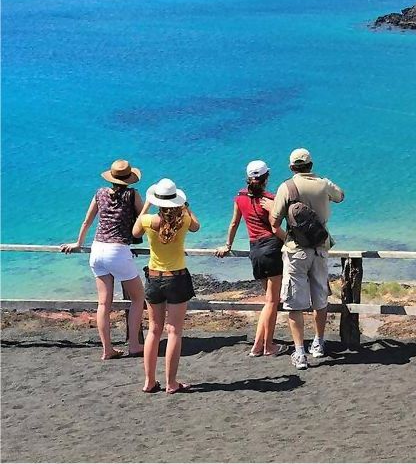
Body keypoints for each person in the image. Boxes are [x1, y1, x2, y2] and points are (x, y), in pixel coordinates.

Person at [60, 159, 148, 360]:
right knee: (138, 298)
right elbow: (143, 219)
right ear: (129, 178)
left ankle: (107, 349)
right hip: (117, 250)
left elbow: (87, 221)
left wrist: (78, 243)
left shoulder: (100, 193)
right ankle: (134, 344)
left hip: (97, 250)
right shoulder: (132, 194)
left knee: (103, 304)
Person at [268, 147, 345, 371]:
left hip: (296, 250)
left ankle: (300, 352)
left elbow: (274, 224)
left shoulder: (286, 187)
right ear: (311, 165)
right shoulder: (323, 183)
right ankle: (319, 343)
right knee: (320, 297)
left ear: (292, 167)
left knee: (294, 302)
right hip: (320, 248)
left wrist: (289, 239)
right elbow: (341, 196)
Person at [133, 178, 200, 394]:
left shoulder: (147, 221)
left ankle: (149, 381)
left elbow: (134, 233)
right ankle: (171, 382)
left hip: (154, 278)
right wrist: (186, 207)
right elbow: (197, 227)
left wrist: (146, 206)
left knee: (154, 330)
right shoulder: (184, 221)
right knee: (174, 332)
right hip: (177, 278)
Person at [215, 159, 288, 357]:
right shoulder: (270, 199)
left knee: (269, 301)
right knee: (272, 302)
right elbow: (280, 221)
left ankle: (259, 346)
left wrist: (227, 245)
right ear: (267, 178)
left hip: (254, 250)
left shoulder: (239, 198)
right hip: (272, 249)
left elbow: (233, 224)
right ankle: (266, 346)